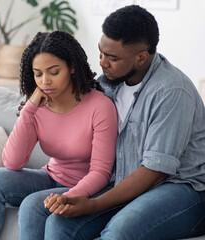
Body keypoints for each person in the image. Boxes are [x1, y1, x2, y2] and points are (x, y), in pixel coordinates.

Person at [41, 5, 205, 240]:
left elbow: (155, 173)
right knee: (59, 222)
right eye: (101, 53)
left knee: (120, 231)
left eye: (112, 57)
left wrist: (93, 204)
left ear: (141, 57)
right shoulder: (107, 83)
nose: (102, 63)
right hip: (123, 181)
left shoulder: (172, 91)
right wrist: (40, 104)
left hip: (183, 189)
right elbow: (70, 110)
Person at [0, 31, 118, 239]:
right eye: (38, 74)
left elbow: (101, 172)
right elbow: (12, 163)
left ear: (72, 67)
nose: (45, 81)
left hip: (91, 187)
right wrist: (29, 109)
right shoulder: (38, 106)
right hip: (51, 177)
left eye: (53, 72)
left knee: (32, 205)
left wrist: (67, 198)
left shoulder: (100, 107)